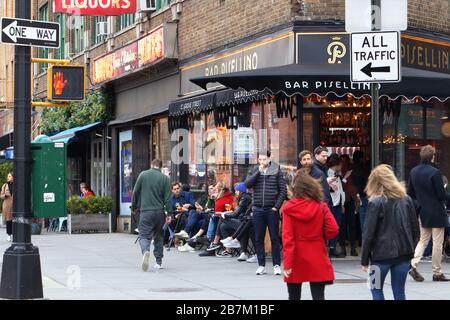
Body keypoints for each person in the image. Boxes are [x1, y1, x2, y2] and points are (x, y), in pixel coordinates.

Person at [361, 164, 420, 300]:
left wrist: (364, 260)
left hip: (379, 258)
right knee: (399, 292)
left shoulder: (375, 202)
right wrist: (410, 250)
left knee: (374, 288)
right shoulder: (406, 199)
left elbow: (368, 235)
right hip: (403, 255)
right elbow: (415, 230)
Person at [282, 169, 339, 300]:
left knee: (294, 296)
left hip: (296, 255)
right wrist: (321, 236)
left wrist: (288, 263)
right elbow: (333, 229)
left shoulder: (289, 208)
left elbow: (288, 239)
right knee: (319, 296)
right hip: (317, 251)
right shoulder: (321, 206)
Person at [408, 145, 450, 282]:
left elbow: (411, 193)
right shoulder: (435, 172)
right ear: (433, 157)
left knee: (423, 240)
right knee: (438, 242)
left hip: (423, 211)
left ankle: (413, 264)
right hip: (437, 211)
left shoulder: (413, 171)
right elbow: (441, 195)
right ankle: (437, 272)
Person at [245, 149, 287, 275]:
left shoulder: (276, 170)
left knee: (274, 237)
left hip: (271, 209)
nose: (262, 162)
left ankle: (276, 265)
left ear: (270, 159)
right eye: (260, 159)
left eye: (264, 159)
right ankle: (261, 265)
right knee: (258, 238)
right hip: (258, 208)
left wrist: (276, 206)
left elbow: (283, 191)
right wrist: (259, 171)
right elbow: (247, 184)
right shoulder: (254, 170)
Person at [131, 159, 172, 271]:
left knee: (144, 235)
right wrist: (169, 213)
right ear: (161, 166)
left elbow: (135, 192)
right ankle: (158, 262)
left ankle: (146, 251)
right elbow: (168, 199)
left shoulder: (143, 175)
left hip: (146, 211)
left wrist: (134, 207)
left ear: (151, 165)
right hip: (159, 212)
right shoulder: (165, 179)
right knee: (159, 236)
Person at [219, 182, 252, 258]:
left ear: (241, 191)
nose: (235, 192)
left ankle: (216, 242)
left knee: (222, 217)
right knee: (223, 226)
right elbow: (236, 211)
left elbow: (236, 213)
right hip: (242, 220)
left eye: (237, 190)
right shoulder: (240, 198)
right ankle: (228, 250)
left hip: (243, 221)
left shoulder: (244, 198)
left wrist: (225, 214)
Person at [327, 154, 348, 258]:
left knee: (336, 227)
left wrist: (342, 204)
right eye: (340, 164)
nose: (341, 167)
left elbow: (340, 190)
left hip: (337, 203)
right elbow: (334, 189)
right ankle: (331, 248)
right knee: (333, 227)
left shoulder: (336, 174)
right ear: (337, 164)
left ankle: (333, 247)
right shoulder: (329, 174)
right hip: (333, 203)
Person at [205, 182, 235, 254]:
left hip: (232, 219)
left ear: (219, 190)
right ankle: (227, 250)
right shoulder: (225, 197)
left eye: (215, 190)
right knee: (220, 224)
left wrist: (216, 200)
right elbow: (210, 208)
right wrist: (212, 199)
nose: (213, 191)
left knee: (215, 218)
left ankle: (211, 240)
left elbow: (229, 209)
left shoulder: (224, 198)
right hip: (226, 219)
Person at [339, 154, 358, 256]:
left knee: (352, 225)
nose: (343, 163)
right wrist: (345, 178)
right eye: (341, 161)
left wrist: (356, 196)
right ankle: (343, 248)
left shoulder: (352, 172)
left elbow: (355, 185)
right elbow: (339, 186)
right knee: (342, 226)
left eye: (345, 161)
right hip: (342, 201)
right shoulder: (338, 173)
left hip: (350, 200)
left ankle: (353, 248)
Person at [351, 150, 370, 230]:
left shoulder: (351, 168)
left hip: (352, 196)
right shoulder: (364, 169)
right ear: (362, 158)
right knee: (363, 220)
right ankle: (362, 240)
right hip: (363, 195)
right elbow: (367, 183)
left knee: (353, 219)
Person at [1, 172, 13, 242]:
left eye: (9, 176)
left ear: (13, 177)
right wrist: (4, 195)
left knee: (15, 220)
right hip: (7, 205)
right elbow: (1, 195)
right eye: (8, 176)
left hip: (15, 205)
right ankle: (9, 234)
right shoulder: (5, 185)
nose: (8, 177)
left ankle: (14, 234)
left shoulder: (17, 185)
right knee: (8, 220)